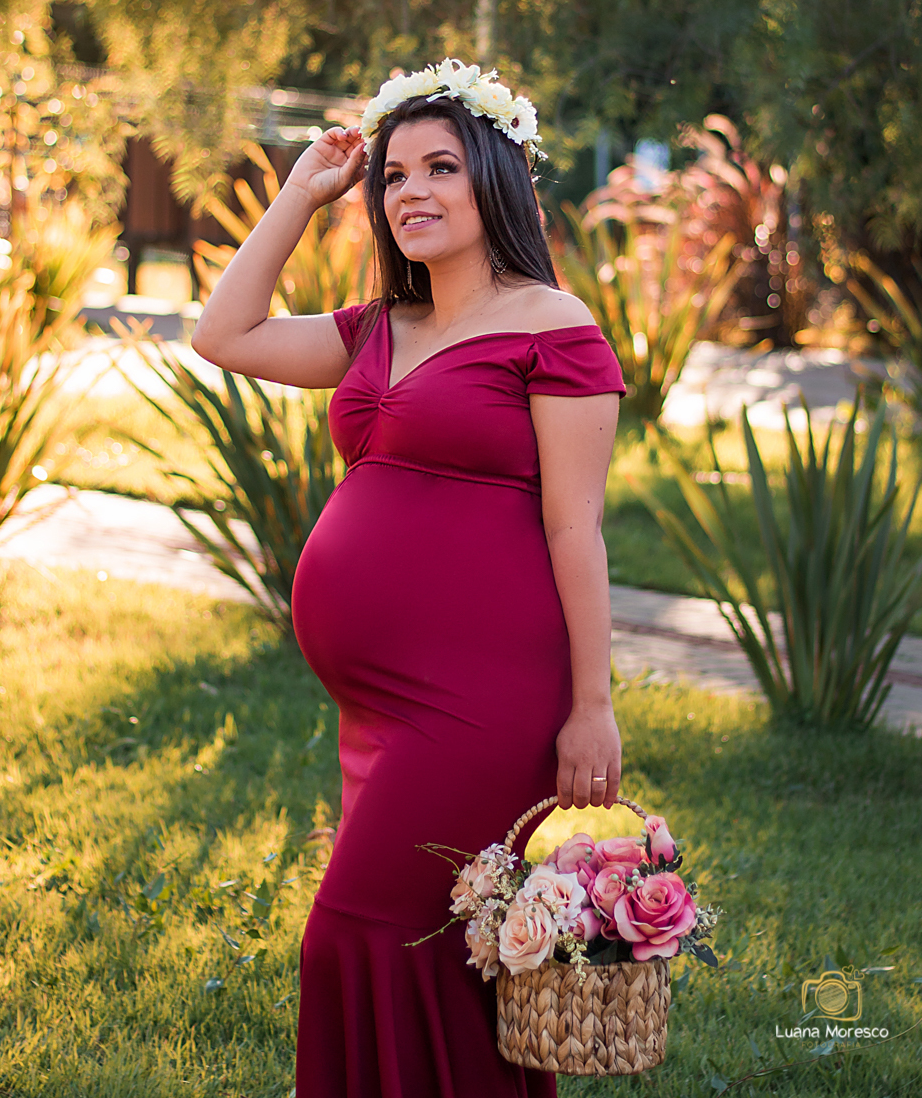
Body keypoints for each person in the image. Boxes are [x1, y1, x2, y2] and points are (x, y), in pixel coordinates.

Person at [192, 60, 626, 1098]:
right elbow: (224, 334)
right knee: (435, 943)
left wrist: (593, 707)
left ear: (495, 180)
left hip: (482, 699)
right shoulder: (376, 328)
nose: (410, 192)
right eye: (392, 175)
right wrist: (303, 194)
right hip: (377, 712)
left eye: (440, 168)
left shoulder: (553, 328)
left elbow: (575, 527)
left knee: (353, 931)